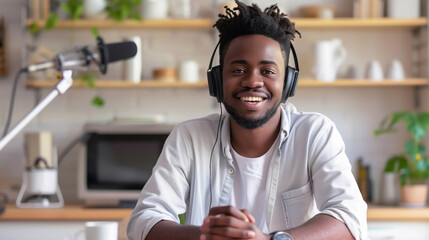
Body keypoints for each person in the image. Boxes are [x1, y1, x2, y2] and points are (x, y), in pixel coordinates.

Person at [127, 1, 368, 239]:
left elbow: (350, 217)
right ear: (218, 81)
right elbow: (144, 220)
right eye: (238, 70)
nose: (253, 81)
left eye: (268, 71)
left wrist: (271, 239)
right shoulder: (189, 137)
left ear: (288, 84)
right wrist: (208, 235)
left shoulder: (315, 133)